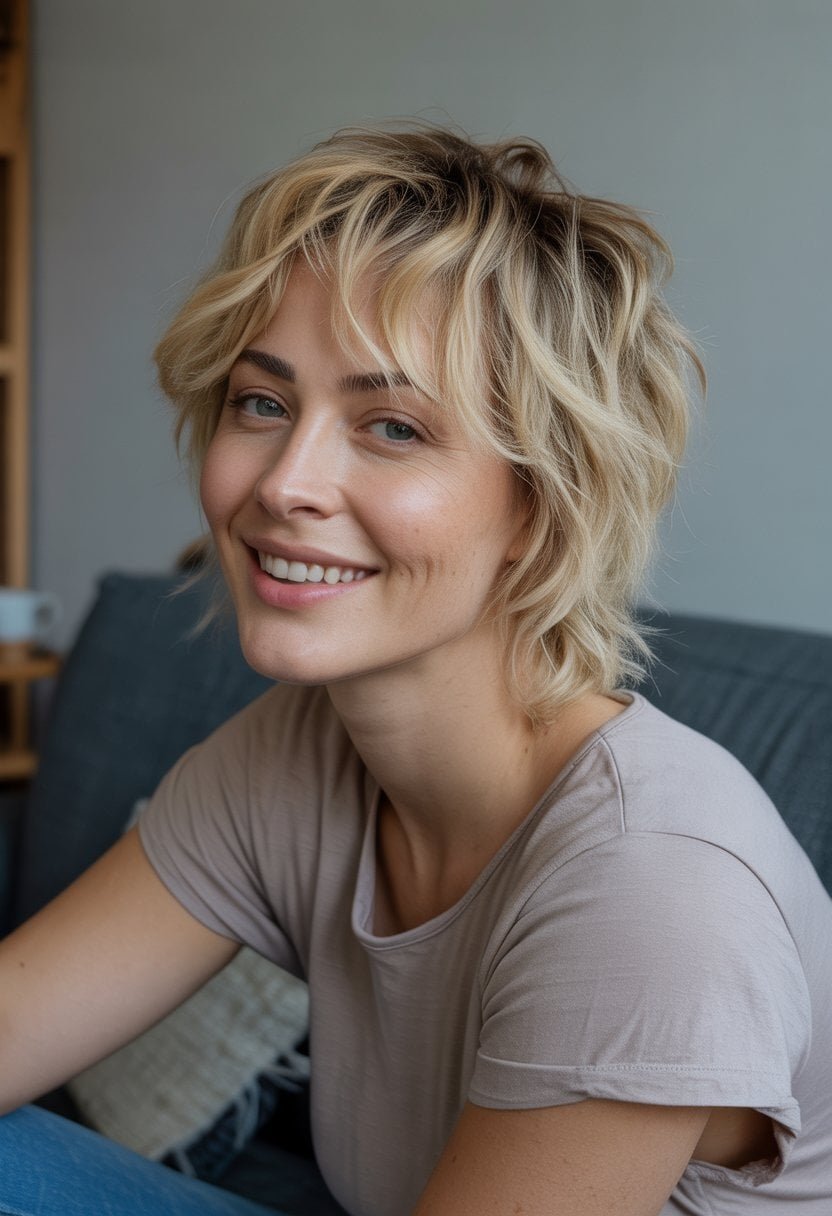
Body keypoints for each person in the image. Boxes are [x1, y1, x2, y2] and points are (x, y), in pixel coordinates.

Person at [1, 124, 831, 1216]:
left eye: (391, 426)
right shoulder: (295, 758)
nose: (286, 482)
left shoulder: (654, 887)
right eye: (263, 402)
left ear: (540, 505)